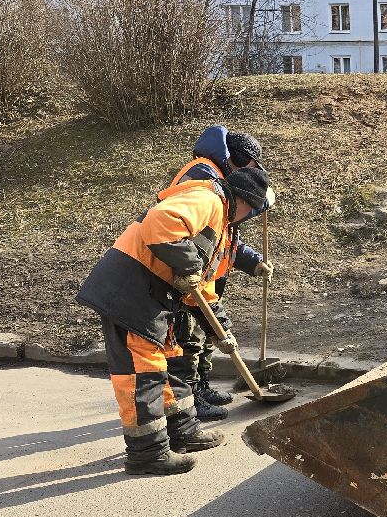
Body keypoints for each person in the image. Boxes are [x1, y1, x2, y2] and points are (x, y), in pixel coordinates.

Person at [76, 166, 272, 475]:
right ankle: (148, 454)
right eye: (252, 210)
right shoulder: (208, 200)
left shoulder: (220, 221)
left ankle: (183, 432)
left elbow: (201, 287)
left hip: (154, 298)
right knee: (144, 374)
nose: (248, 217)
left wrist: (221, 330)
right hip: (130, 292)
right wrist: (189, 263)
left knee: (172, 363)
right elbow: (160, 222)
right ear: (244, 201)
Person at [166, 127, 274, 421]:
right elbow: (201, 236)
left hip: (204, 275)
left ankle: (201, 386)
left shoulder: (221, 179)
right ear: (240, 160)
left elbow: (225, 240)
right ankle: (191, 398)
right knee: (189, 341)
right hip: (188, 277)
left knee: (203, 337)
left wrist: (252, 261)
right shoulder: (204, 177)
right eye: (253, 167)